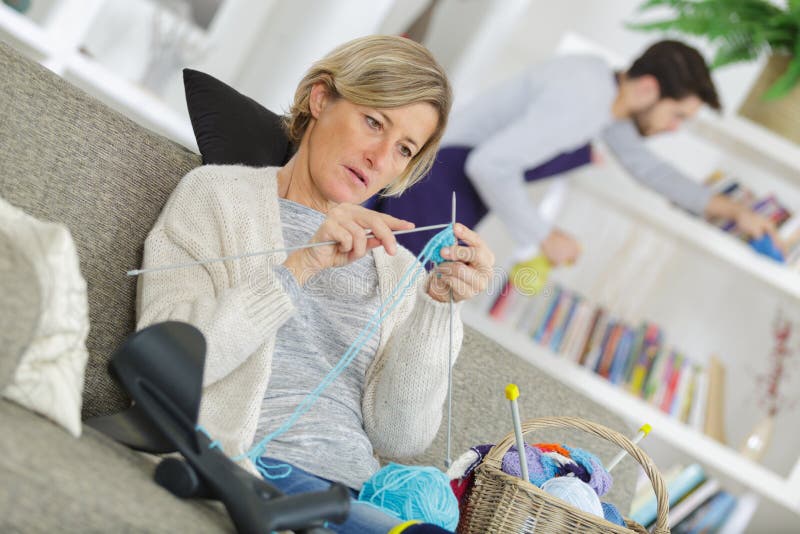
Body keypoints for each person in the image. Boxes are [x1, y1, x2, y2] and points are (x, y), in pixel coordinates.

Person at [136, 35, 494, 533]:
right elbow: (168, 364)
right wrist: (298, 268)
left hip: (359, 491)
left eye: (403, 149)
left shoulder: (398, 269)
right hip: (256, 469)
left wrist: (435, 308)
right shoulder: (218, 198)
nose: (378, 158)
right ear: (321, 98)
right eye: (374, 122)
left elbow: (402, 437)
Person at [369, 40, 782, 265]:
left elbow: (648, 168)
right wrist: (545, 235)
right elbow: (490, 164)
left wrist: (732, 211)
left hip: (443, 187)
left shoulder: (603, 92)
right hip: (436, 188)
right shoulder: (584, 100)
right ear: (648, 89)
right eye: (676, 116)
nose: (673, 129)